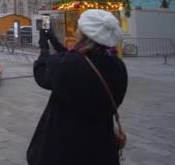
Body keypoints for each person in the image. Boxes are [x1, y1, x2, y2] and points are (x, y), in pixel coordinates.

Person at [27, 9, 128, 165]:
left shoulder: (68, 65)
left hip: (66, 147)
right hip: (101, 147)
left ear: (85, 35)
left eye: (79, 28)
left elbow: (41, 74)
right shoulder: (119, 66)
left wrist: (44, 47)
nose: (76, 31)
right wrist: (54, 41)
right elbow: (80, 60)